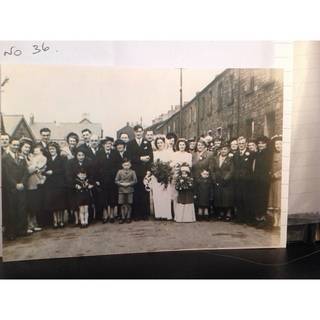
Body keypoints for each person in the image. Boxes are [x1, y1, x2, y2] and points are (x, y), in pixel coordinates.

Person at [2, 137, 29, 240]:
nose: (16, 147)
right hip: (11, 188)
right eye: (14, 145)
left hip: (22, 187)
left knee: (21, 209)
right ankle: (11, 232)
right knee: (11, 210)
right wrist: (15, 184)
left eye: (17, 145)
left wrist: (22, 183)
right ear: (10, 145)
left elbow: (26, 172)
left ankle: (21, 230)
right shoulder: (4, 158)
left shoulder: (22, 157)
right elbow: (6, 175)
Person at [126, 125, 153, 220]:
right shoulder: (130, 144)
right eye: (137, 131)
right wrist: (140, 158)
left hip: (145, 172)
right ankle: (136, 214)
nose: (139, 133)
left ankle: (145, 214)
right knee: (136, 193)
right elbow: (129, 157)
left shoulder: (147, 143)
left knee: (145, 192)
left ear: (143, 132)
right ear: (134, 133)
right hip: (134, 172)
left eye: (140, 131)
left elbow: (150, 158)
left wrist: (149, 171)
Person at [66, 149, 93, 226]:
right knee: (75, 204)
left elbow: (92, 174)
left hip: (85, 186)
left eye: (82, 155)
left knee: (86, 205)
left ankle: (86, 220)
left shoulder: (88, 162)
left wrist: (89, 182)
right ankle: (77, 220)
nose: (81, 157)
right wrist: (75, 184)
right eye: (79, 155)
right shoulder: (71, 163)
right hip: (75, 186)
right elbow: (69, 176)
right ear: (76, 156)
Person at [44, 142, 67, 228]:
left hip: (60, 183)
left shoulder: (62, 158)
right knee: (53, 204)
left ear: (56, 149)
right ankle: (55, 220)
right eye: (50, 149)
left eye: (53, 149)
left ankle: (61, 220)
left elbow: (64, 170)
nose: (51, 151)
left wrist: (53, 172)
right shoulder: (47, 159)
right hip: (50, 184)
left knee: (60, 203)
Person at [25, 141, 47, 233]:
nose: (27, 149)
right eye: (25, 147)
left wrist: (35, 167)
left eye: (28, 147)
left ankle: (34, 224)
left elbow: (40, 167)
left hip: (35, 183)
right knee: (29, 206)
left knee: (34, 205)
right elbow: (29, 170)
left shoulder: (33, 157)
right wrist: (35, 168)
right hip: (28, 184)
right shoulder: (25, 157)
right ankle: (29, 226)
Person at [149, 136, 173, 220]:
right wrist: (156, 172)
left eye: (161, 143)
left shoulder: (169, 152)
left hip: (166, 176)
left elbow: (171, 163)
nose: (159, 144)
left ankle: (166, 214)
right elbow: (152, 165)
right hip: (156, 177)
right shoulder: (154, 153)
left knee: (165, 195)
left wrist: (167, 171)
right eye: (158, 143)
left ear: (164, 143)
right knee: (157, 195)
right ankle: (159, 214)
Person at [210, 142, 235, 221]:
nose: (223, 151)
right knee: (219, 197)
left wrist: (225, 179)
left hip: (226, 181)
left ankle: (228, 213)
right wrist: (214, 179)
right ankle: (221, 212)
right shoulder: (215, 158)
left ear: (228, 150)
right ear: (219, 150)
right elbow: (212, 170)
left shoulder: (230, 159)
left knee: (226, 197)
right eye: (222, 149)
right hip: (217, 180)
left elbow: (231, 171)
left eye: (225, 149)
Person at [96, 137, 118, 223]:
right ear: (103, 145)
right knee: (103, 197)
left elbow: (117, 165)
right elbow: (96, 167)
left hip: (112, 179)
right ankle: (105, 214)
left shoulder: (115, 153)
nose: (108, 145)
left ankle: (112, 214)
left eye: (109, 144)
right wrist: (97, 179)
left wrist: (115, 175)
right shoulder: (99, 153)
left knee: (112, 197)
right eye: (106, 144)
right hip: (102, 179)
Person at [233, 136, 254, 223]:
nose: (241, 145)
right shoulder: (236, 154)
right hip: (237, 180)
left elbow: (251, 167)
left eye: (243, 143)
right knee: (239, 198)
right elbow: (235, 167)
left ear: (246, 144)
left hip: (246, 180)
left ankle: (247, 218)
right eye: (239, 143)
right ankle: (240, 218)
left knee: (246, 199)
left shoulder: (250, 153)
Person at [251, 136, 271, 225]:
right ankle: (257, 217)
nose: (260, 145)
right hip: (257, 179)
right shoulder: (258, 153)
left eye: (262, 143)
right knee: (257, 198)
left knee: (263, 198)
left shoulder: (268, 153)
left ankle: (262, 217)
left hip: (264, 179)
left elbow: (267, 167)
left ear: (266, 144)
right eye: (259, 143)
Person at [115, 159, 138, 223]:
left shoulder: (132, 172)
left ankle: (128, 217)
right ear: (122, 165)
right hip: (121, 190)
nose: (126, 166)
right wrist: (121, 184)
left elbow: (135, 180)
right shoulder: (119, 172)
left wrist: (129, 184)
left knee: (129, 204)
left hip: (130, 190)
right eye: (125, 165)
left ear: (130, 165)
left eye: (128, 165)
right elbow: (116, 180)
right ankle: (122, 217)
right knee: (122, 204)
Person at [268, 136, 282, 227]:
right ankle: (275, 220)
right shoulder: (273, 154)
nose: (278, 146)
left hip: (280, 181)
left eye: (280, 144)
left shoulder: (285, 155)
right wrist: (270, 173)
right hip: (273, 181)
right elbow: (270, 166)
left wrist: (276, 175)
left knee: (279, 201)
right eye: (276, 144)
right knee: (274, 201)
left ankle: (281, 220)